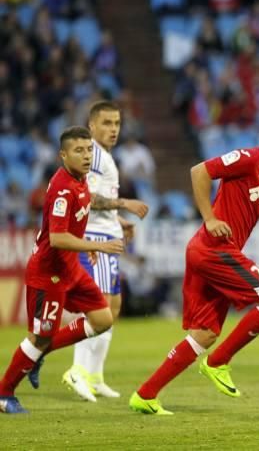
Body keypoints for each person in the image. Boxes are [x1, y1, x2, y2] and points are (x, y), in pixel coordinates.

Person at [129, 108, 259, 415]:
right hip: (213, 248)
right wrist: (210, 218)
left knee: (206, 334)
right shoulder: (247, 159)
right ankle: (218, 362)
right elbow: (199, 171)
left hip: (214, 253)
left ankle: (145, 394)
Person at [0, 127, 125, 414]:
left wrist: (85, 246)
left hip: (71, 268)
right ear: (63, 154)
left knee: (103, 318)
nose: (85, 155)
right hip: (49, 274)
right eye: (78, 151)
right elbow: (56, 238)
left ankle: (37, 354)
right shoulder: (62, 188)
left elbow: (73, 226)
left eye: (89, 150)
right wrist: (96, 244)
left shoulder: (81, 181)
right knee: (39, 336)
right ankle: (4, 393)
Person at [63, 101, 150, 401]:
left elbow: (102, 201)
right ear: (91, 126)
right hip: (95, 240)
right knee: (98, 310)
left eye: (117, 123)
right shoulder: (94, 155)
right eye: (107, 123)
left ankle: (95, 376)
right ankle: (77, 370)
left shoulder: (106, 158)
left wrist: (119, 219)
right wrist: (124, 204)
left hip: (108, 235)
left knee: (112, 311)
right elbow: (86, 197)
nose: (113, 129)